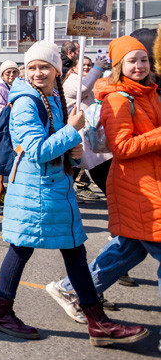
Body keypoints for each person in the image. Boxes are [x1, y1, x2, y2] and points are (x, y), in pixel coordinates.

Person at [0, 40, 147, 346]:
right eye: (31, 67)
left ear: (57, 71)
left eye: (44, 67)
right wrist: (71, 130)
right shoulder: (25, 101)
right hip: (36, 190)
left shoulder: (53, 97)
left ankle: (95, 320)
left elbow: (58, 146)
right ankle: (3, 312)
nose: (37, 73)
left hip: (54, 188)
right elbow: (36, 150)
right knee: (25, 248)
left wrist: (74, 152)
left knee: (71, 250)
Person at [48, 36, 161, 337]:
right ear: (119, 65)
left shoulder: (149, 93)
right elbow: (121, 147)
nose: (139, 66)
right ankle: (71, 288)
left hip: (149, 183)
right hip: (136, 187)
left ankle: (70, 287)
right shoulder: (118, 98)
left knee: (130, 250)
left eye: (143, 60)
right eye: (131, 61)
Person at [62, 53, 111, 201]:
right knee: (98, 166)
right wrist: (97, 68)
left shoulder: (91, 79)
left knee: (76, 169)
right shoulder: (72, 81)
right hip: (80, 132)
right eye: (83, 65)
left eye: (89, 65)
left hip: (91, 131)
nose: (87, 67)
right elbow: (82, 89)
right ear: (74, 68)